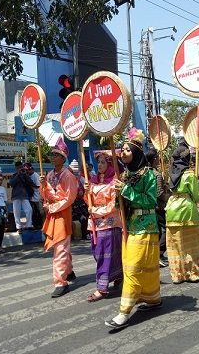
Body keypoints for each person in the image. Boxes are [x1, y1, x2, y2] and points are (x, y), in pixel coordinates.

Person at [105, 128, 161, 329]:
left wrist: (126, 191)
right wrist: (117, 196)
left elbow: (150, 200)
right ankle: (153, 298)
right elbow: (120, 205)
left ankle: (124, 311)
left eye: (127, 150)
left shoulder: (148, 174)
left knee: (133, 268)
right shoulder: (125, 175)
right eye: (122, 150)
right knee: (140, 267)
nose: (123, 152)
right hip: (129, 226)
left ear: (136, 152)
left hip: (146, 226)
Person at [165, 141, 199, 283]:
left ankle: (178, 276)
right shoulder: (189, 174)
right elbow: (196, 195)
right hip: (187, 210)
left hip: (171, 209)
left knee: (175, 245)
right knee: (191, 244)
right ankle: (193, 273)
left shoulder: (169, 173)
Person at [40, 137, 78, 298]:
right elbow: (47, 195)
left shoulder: (68, 175)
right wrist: (43, 186)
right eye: (52, 154)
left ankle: (60, 282)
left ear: (63, 158)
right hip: (52, 213)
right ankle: (68, 271)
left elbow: (69, 197)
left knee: (60, 247)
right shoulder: (49, 174)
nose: (52, 157)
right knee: (61, 246)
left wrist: (53, 206)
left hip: (62, 213)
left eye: (56, 154)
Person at [84, 150, 123, 302]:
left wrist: (95, 210)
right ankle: (119, 274)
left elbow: (114, 206)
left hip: (109, 224)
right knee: (98, 254)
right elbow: (89, 202)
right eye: (98, 162)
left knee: (105, 256)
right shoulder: (93, 180)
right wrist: (86, 192)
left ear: (110, 164)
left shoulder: (114, 182)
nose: (99, 165)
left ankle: (102, 288)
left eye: (102, 162)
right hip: (94, 224)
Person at [146, 147, 171, 267]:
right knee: (166, 230)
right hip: (158, 207)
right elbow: (159, 193)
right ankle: (158, 254)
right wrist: (170, 198)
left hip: (148, 207)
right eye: (157, 158)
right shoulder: (156, 174)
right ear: (154, 159)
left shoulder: (145, 172)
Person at [9, 161, 34, 232]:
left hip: (24, 195)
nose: (20, 168)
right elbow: (11, 183)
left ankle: (28, 225)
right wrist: (18, 174)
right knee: (17, 212)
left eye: (21, 167)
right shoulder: (14, 175)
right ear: (16, 168)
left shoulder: (25, 175)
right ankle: (18, 227)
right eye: (19, 167)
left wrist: (25, 174)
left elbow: (31, 183)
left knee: (29, 210)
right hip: (16, 196)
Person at [24, 163, 43, 229]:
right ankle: (35, 224)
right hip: (31, 197)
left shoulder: (35, 175)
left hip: (36, 196)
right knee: (32, 211)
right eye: (26, 170)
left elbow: (38, 186)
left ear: (32, 169)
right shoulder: (28, 176)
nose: (27, 171)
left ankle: (39, 225)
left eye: (28, 170)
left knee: (38, 211)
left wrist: (29, 184)